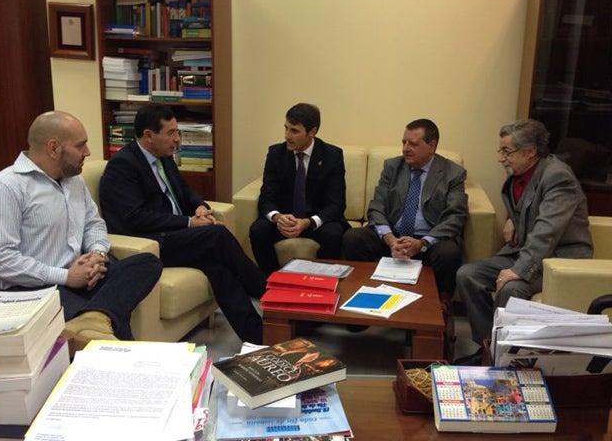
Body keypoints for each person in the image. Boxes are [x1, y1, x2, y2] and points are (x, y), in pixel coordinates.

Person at [0, 111, 162, 351]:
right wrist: (65, 277)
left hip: (78, 278)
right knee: (113, 319)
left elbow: (94, 224)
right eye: (80, 145)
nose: (88, 152)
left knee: (147, 263)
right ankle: (105, 330)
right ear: (53, 148)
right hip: (27, 289)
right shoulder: (4, 188)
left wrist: (97, 255)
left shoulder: (74, 182)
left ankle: (94, 318)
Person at [99, 104, 266, 344]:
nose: (177, 139)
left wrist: (199, 206)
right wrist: (188, 222)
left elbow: (185, 190)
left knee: (218, 269)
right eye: (171, 133)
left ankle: (258, 336)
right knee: (216, 235)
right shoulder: (123, 165)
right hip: (151, 243)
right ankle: (267, 292)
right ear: (148, 135)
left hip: (175, 236)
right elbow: (135, 218)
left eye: (177, 132)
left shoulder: (163, 156)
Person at [455, 119, 593, 365]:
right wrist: (513, 218)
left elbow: (547, 232)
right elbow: (529, 206)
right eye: (500, 150)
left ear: (530, 152)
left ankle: (505, 360)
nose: (500, 158)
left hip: (559, 258)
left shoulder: (558, 177)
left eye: (507, 151)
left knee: (511, 288)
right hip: (527, 249)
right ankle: (488, 348)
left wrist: (518, 270)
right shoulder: (520, 174)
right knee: (468, 274)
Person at [342, 118, 468, 302]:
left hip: (428, 243)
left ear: (431, 146)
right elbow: (377, 206)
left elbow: (456, 216)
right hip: (393, 238)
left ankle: (441, 303)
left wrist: (422, 243)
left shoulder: (452, 173)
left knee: (449, 252)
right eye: (404, 142)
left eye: (413, 144)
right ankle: (363, 291)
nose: (405, 149)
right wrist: (390, 239)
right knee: (353, 237)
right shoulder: (393, 167)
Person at [249, 103, 350, 277]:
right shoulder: (276, 153)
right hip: (285, 221)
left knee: (333, 233)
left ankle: (321, 282)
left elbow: (336, 204)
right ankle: (272, 280)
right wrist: (277, 217)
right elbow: (267, 196)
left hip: (315, 222)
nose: (287, 136)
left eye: (294, 131)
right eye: (286, 128)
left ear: (312, 132)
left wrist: (307, 222)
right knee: (258, 230)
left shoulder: (331, 155)